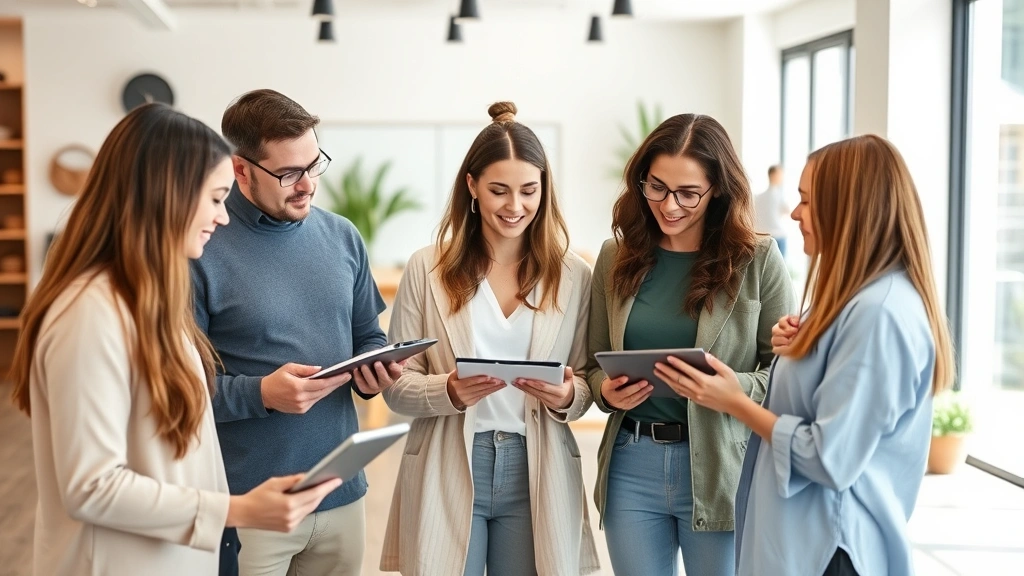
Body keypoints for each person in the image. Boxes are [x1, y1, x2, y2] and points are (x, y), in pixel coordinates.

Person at [8, 103, 339, 576]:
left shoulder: (147, 303)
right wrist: (237, 511)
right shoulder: (89, 314)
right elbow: (91, 486)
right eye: (216, 198)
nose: (224, 218)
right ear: (168, 197)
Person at [658, 134, 955, 576]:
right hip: (806, 542)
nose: (794, 213)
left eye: (807, 201)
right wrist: (805, 350)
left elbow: (828, 456)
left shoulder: (880, 315)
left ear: (850, 209)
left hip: (830, 550)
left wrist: (733, 402)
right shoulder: (853, 303)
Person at [379, 102, 600, 576]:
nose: (514, 206)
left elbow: (585, 383)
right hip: (450, 455)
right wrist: (450, 391)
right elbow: (396, 385)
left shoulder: (574, 275)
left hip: (535, 463)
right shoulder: (427, 268)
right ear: (471, 186)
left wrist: (567, 395)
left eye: (528, 191)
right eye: (499, 190)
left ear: (545, 190)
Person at [191, 89, 401, 576]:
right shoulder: (202, 247)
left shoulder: (343, 235)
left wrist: (373, 367)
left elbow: (368, 334)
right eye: (288, 173)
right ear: (240, 170)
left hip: (342, 493)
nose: (307, 184)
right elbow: (180, 392)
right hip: (249, 503)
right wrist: (263, 393)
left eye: (314, 165)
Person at [586, 113, 794, 576]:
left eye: (688, 193)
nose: (669, 205)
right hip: (631, 464)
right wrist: (605, 390)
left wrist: (731, 388)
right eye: (656, 186)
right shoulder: (614, 257)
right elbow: (591, 362)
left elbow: (786, 377)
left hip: (723, 464)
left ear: (717, 189)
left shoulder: (758, 260)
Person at [753, 164, 790, 257]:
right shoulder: (778, 196)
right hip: (777, 237)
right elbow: (788, 211)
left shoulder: (758, 198)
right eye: (780, 174)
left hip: (761, 237)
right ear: (773, 175)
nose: (782, 177)